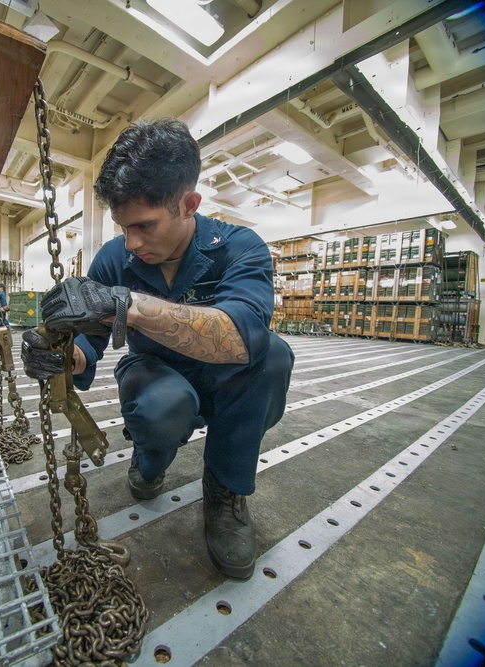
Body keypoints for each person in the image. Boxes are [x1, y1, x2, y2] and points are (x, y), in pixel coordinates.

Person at [21, 118, 294, 579]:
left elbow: (241, 336)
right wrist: (63, 357)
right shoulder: (116, 257)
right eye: (124, 227)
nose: (132, 243)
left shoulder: (240, 248)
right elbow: (89, 341)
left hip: (227, 376)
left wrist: (129, 305)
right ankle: (151, 462)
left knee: (274, 355)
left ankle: (225, 489)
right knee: (163, 405)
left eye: (145, 225)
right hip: (153, 371)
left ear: (189, 204)